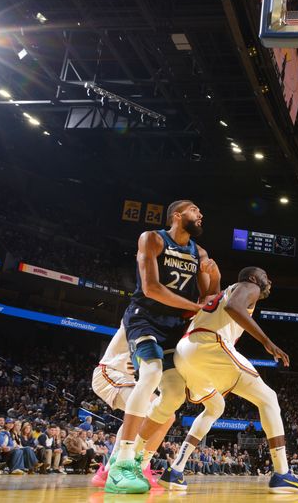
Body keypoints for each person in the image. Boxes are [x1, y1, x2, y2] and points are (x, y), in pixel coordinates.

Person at [160, 267, 298, 494]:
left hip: (185, 351)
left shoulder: (223, 293)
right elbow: (234, 307)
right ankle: (282, 474)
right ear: (253, 278)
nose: (268, 280)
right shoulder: (248, 286)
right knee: (269, 398)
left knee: (215, 406)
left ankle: (175, 470)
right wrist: (267, 342)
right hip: (207, 344)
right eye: (265, 276)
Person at [106, 200, 220, 494]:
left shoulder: (200, 253)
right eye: (196, 210)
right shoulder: (153, 239)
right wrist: (193, 306)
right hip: (145, 318)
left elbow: (208, 299)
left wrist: (215, 276)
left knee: (173, 394)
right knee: (152, 373)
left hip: (174, 327)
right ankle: (119, 464)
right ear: (178, 216)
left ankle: (138, 461)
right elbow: (151, 287)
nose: (201, 213)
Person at [90, 324, 175, 488]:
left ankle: (141, 467)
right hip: (111, 371)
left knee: (166, 415)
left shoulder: (174, 325)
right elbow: (133, 330)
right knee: (147, 409)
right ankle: (111, 469)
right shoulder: (143, 309)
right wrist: (134, 355)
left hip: (135, 380)